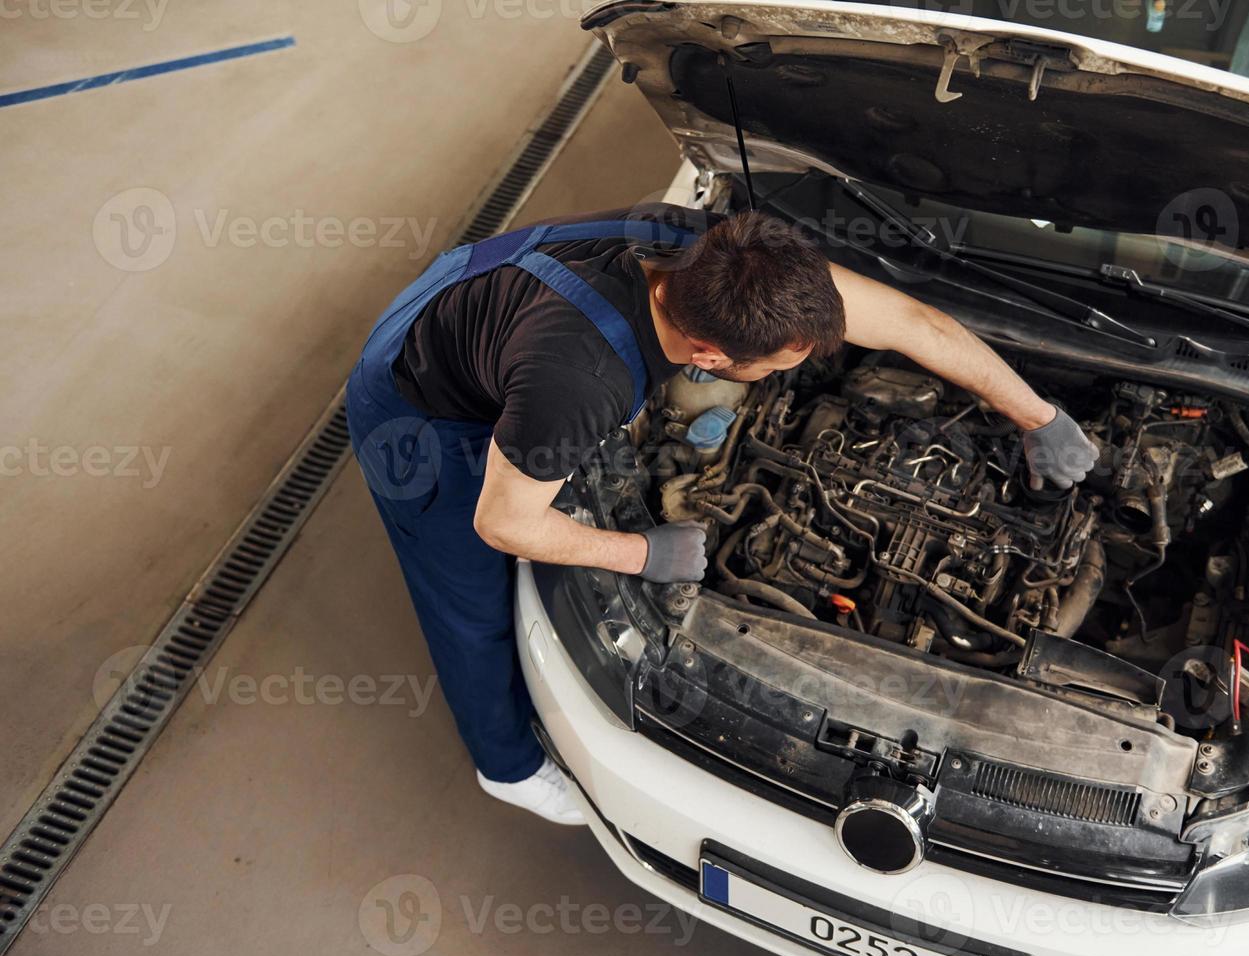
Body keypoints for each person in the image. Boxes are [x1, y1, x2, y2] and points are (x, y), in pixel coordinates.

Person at [346, 204, 1098, 826]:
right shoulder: (580, 380)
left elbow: (909, 320)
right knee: (469, 598)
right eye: (776, 371)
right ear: (705, 355)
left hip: (498, 293)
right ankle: (504, 765)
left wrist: (1039, 416)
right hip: (418, 411)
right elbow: (503, 525)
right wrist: (642, 554)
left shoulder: (718, 251)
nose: (789, 379)